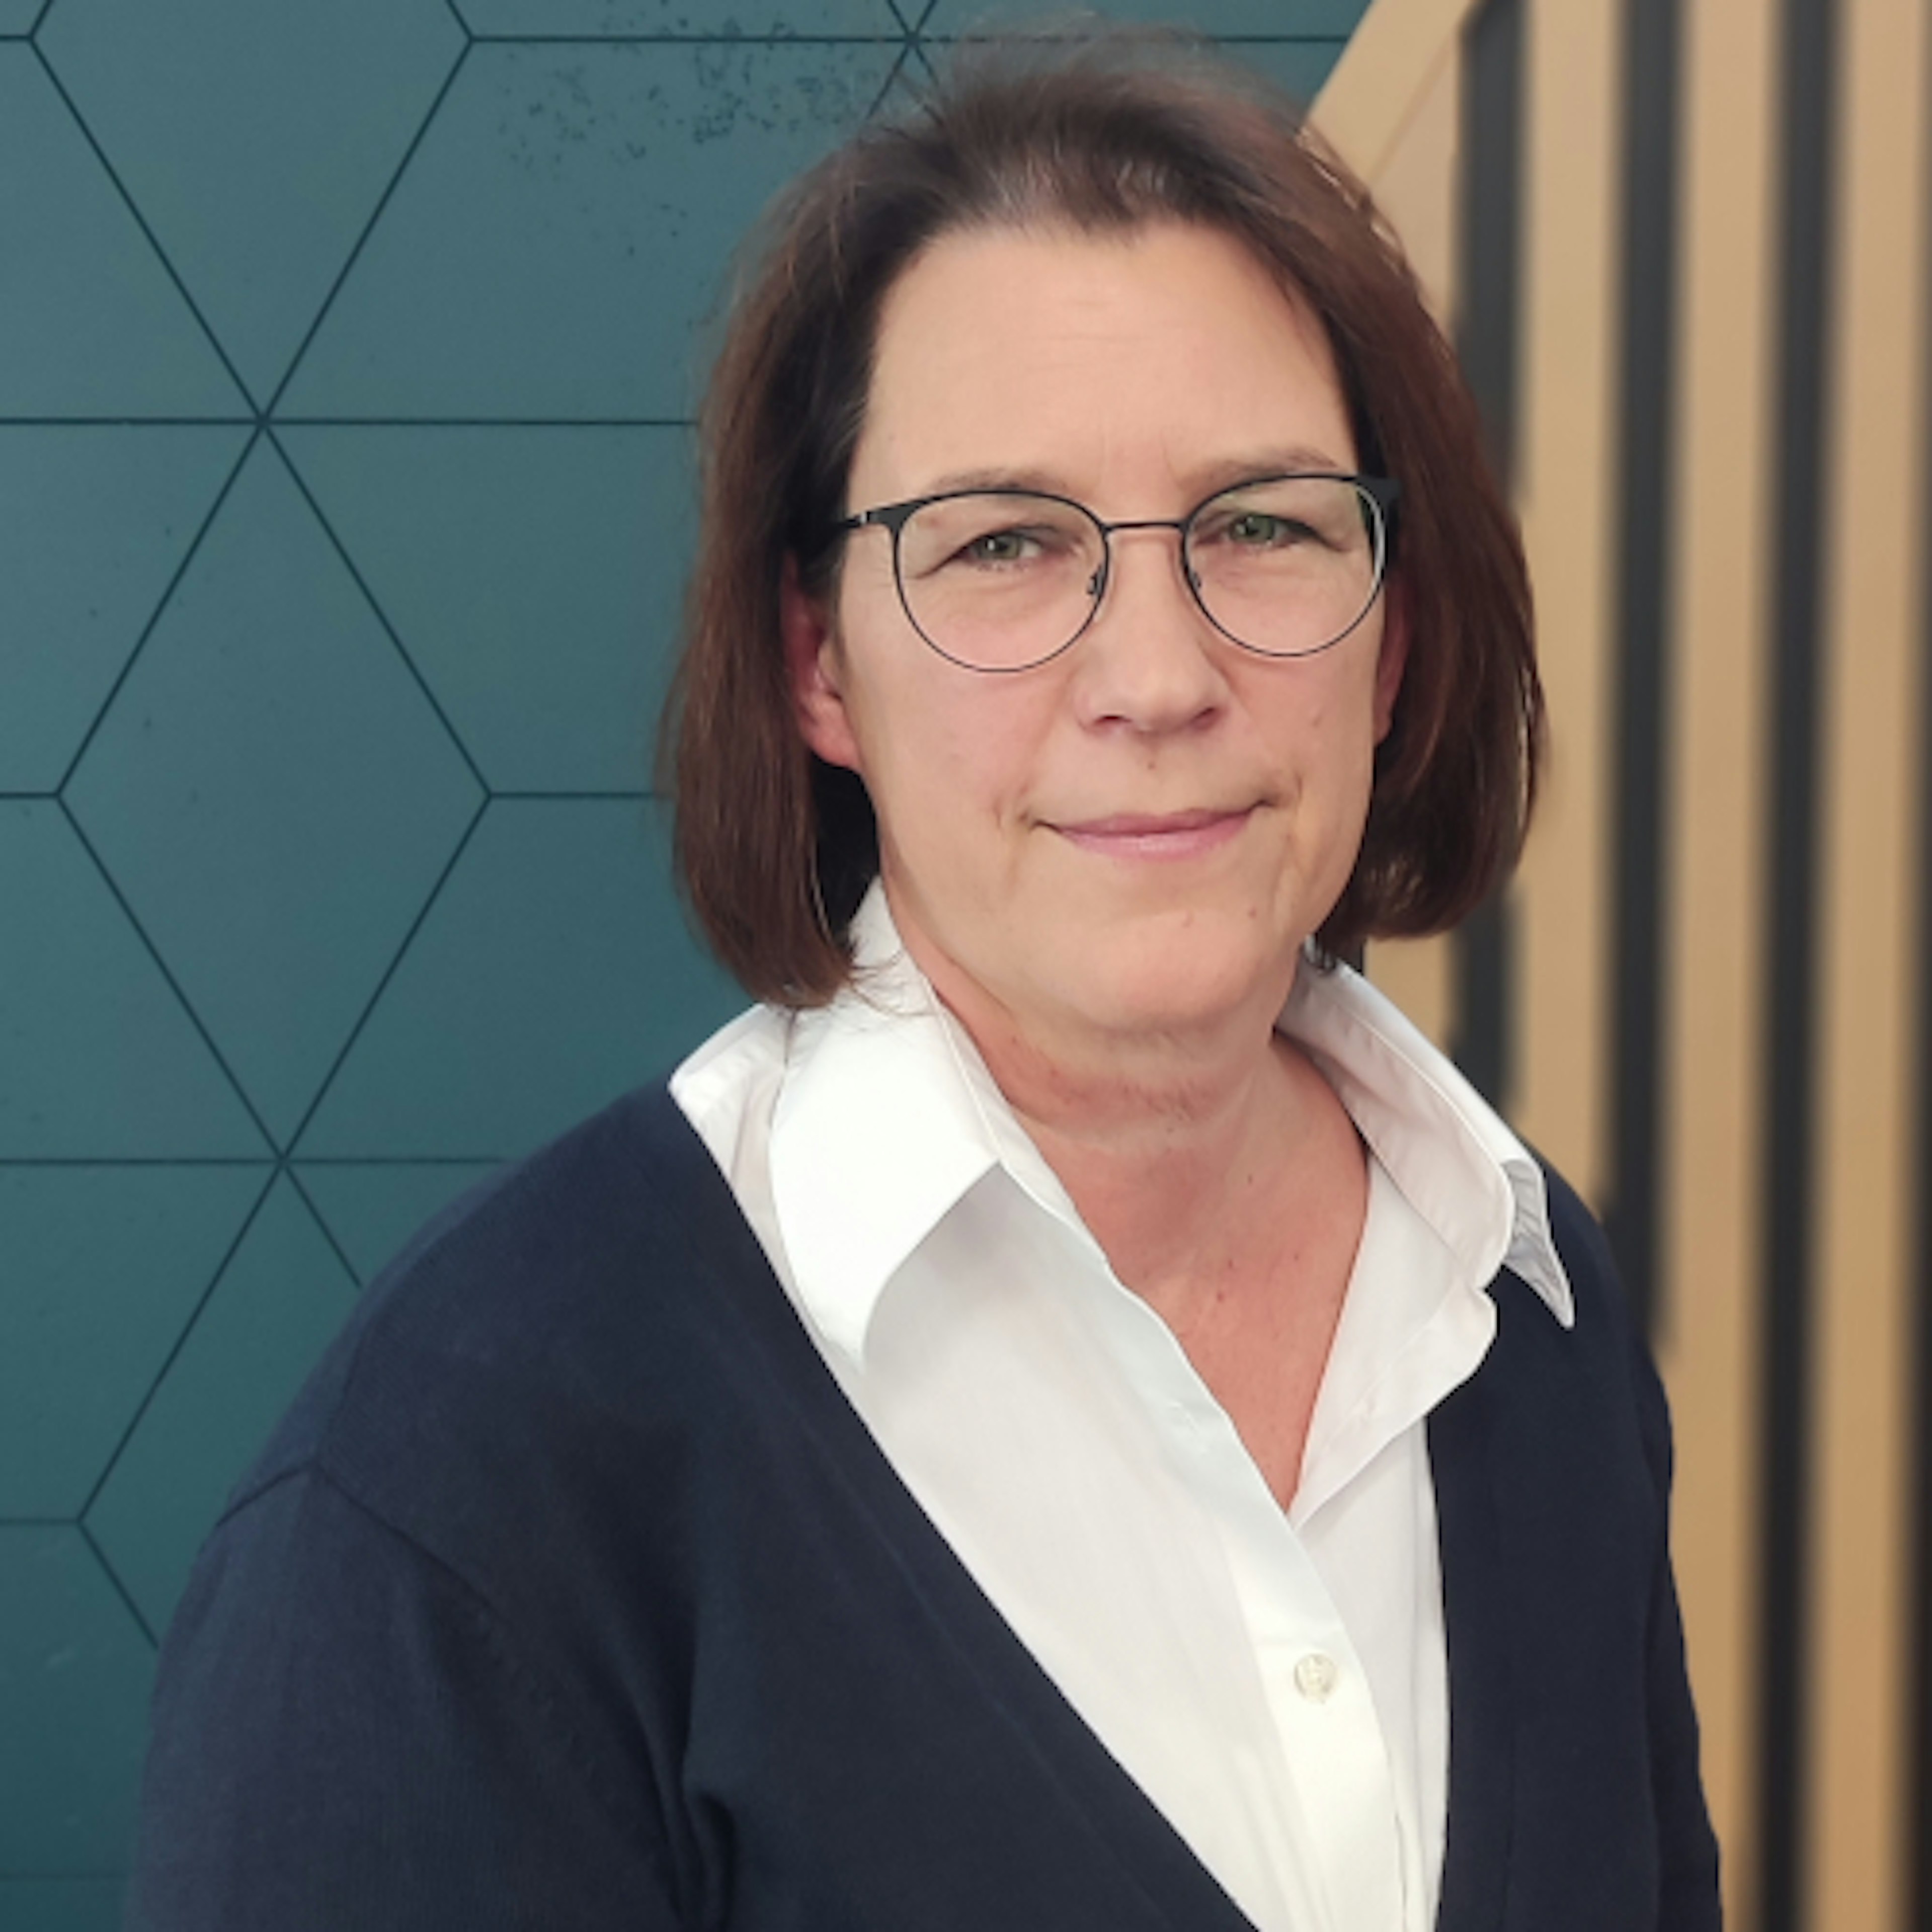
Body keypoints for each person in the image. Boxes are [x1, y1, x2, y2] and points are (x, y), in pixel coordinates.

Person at [129, 29, 1721, 1932]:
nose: (1158, 677)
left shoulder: (1524, 1307)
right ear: (818, 665)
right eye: (1004, 545)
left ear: (1389, 647)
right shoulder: (461, 1490)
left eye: (1265, 526)